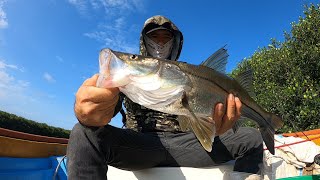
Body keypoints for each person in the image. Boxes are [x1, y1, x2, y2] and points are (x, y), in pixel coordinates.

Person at [67, 15, 263, 179]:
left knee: (252, 137)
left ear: (174, 42)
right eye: (154, 37)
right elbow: (104, 110)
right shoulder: (127, 79)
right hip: (140, 145)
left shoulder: (191, 73)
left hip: (188, 144)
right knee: (82, 132)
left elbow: (202, 120)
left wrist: (215, 127)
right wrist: (86, 111)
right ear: (144, 42)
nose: (160, 43)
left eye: (165, 38)